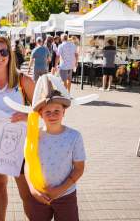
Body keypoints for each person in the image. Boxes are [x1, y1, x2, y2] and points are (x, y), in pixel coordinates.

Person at [0, 36, 35, 221]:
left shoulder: (22, 81)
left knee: (26, 193)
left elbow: (45, 109)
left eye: (3, 52)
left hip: (19, 145)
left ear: (10, 55)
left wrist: (27, 116)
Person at [24, 74, 86, 221]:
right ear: (40, 114)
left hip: (65, 195)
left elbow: (79, 168)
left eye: (57, 111)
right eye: (47, 112)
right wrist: (32, 190)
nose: (52, 115)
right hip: (39, 195)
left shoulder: (74, 136)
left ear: (64, 112)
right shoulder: (33, 137)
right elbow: (28, 164)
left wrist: (59, 190)